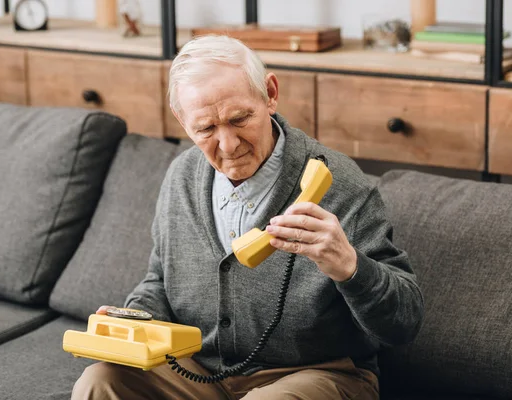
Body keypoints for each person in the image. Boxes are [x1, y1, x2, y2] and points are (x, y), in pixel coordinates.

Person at [72, 35, 424, 400]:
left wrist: (350, 266)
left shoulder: (343, 185)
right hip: (201, 373)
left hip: (317, 374)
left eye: (239, 119)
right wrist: (131, 321)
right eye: (206, 128)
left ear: (270, 94)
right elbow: (159, 281)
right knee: (100, 382)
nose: (228, 144)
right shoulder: (181, 176)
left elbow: (405, 323)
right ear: (182, 120)